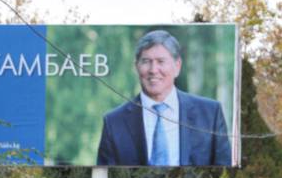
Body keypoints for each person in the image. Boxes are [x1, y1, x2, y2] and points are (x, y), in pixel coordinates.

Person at [97, 29, 232, 166]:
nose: (153, 70)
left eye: (161, 61)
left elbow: (224, 175)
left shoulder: (210, 114)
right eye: (146, 61)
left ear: (177, 66)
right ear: (136, 67)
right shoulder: (114, 122)